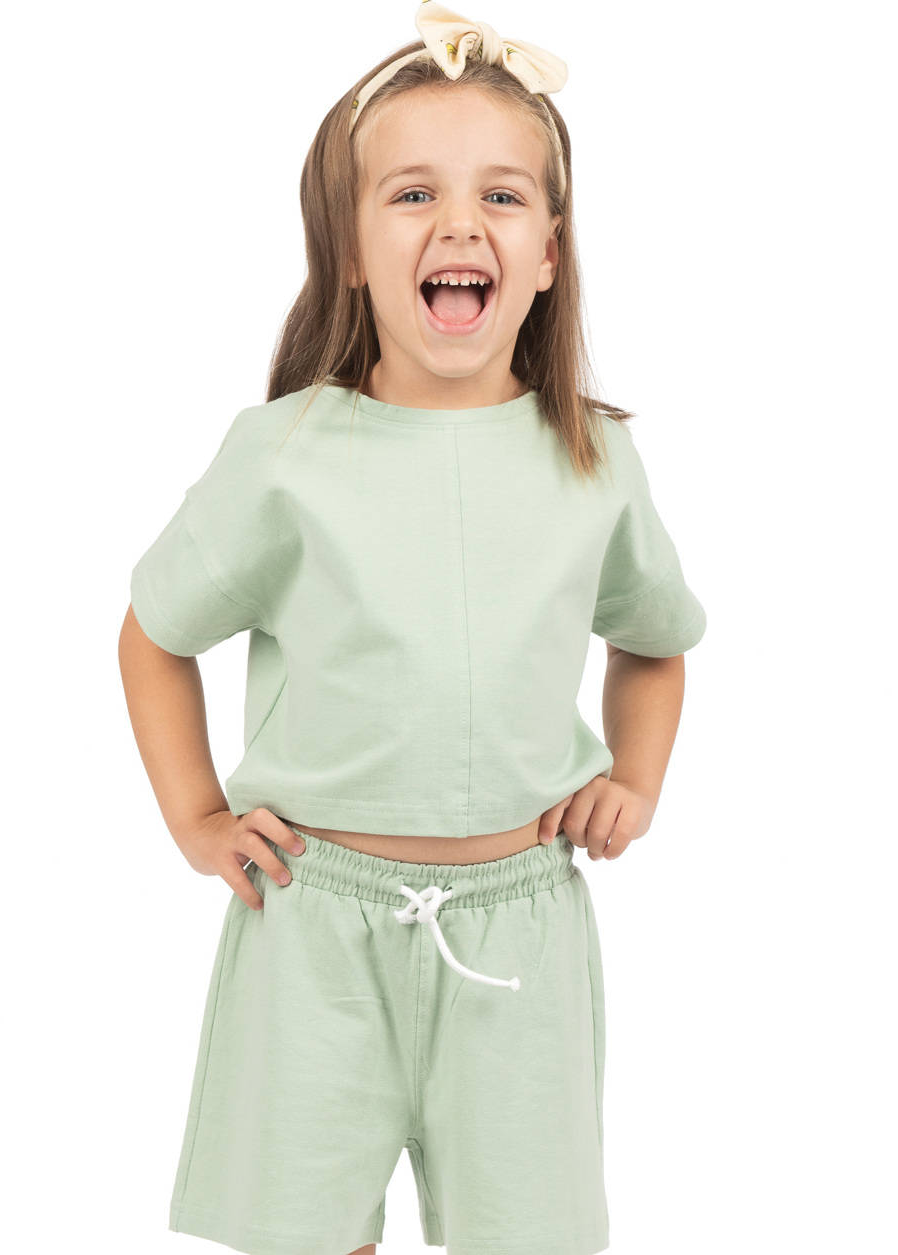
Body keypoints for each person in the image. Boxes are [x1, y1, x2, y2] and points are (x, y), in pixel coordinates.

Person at [118, 4, 707, 1253]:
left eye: (502, 195)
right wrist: (198, 817)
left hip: (521, 930)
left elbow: (655, 636)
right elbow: (155, 633)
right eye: (412, 195)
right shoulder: (283, 454)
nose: (459, 225)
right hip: (313, 924)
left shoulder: (592, 459)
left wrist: (637, 779)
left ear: (547, 252)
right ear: (348, 246)